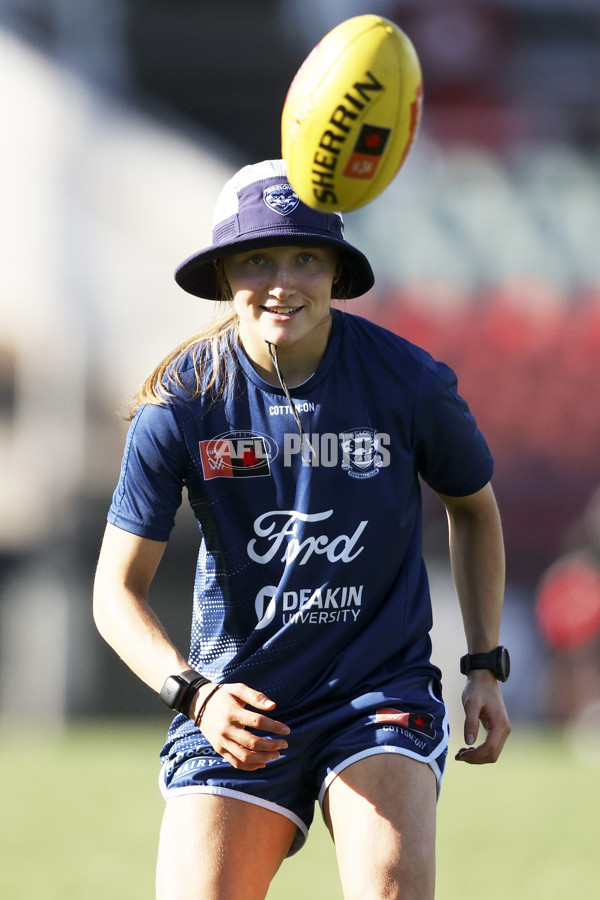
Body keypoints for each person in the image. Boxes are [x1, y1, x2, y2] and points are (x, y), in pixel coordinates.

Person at [93, 158, 511, 900]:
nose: (282, 281)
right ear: (225, 275)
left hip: (376, 688)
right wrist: (195, 695)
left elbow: (474, 509)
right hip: (237, 699)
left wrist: (484, 664)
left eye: (305, 257)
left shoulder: (408, 383)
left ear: (336, 273)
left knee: (389, 884)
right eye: (258, 258)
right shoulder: (181, 403)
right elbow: (115, 594)